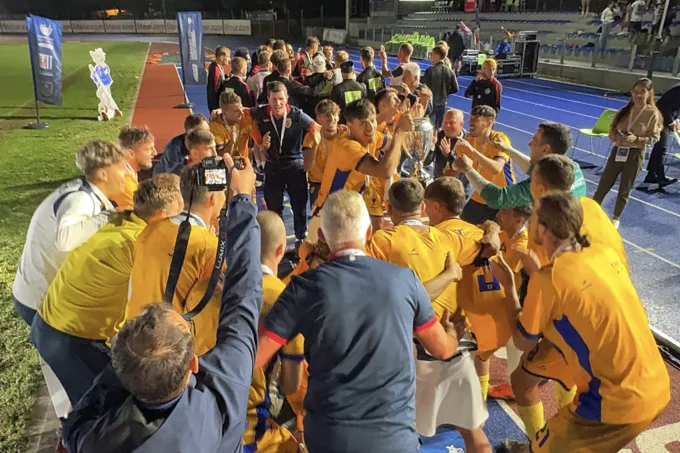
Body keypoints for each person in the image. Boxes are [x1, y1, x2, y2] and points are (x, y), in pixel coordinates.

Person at [63, 156, 262, 453]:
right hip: (169, 359)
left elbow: (75, 424)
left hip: (140, 359)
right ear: (193, 364)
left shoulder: (150, 229)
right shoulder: (220, 403)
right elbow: (242, 295)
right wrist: (243, 200)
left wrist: (128, 360)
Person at [254, 190, 463, 453]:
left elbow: (255, 357)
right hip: (393, 439)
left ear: (322, 236)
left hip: (330, 438)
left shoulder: (303, 288)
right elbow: (442, 349)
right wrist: (454, 334)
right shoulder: (405, 280)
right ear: (368, 232)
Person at [498, 191, 670, 453]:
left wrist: (510, 287)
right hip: (656, 381)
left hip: (614, 400)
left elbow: (523, 341)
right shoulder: (603, 253)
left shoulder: (548, 280)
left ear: (543, 230)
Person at [368, 178, 497, 453]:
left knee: (396, 434)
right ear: (423, 208)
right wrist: (493, 227)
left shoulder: (383, 241)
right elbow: (491, 247)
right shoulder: (449, 238)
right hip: (456, 347)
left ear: (389, 207)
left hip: (413, 355)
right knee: (474, 433)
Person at [32, 175, 182, 407]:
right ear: (162, 215)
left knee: (108, 396)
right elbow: (153, 303)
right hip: (68, 338)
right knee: (100, 408)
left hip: (60, 327)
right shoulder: (136, 244)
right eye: (178, 214)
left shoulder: (123, 222)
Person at [13, 140, 128, 424]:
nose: (126, 173)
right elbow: (65, 239)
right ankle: (79, 427)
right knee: (80, 378)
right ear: (102, 172)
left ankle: (77, 420)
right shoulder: (82, 200)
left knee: (76, 372)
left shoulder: (83, 192)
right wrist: (107, 217)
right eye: (120, 167)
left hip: (36, 293)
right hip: (39, 300)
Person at [124, 163, 226, 356]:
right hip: (170, 351)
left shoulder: (150, 228)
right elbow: (208, 318)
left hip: (134, 338)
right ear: (213, 199)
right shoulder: (209, 247)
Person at [243, 211, 304, 453]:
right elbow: (291, 385)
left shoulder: (214, 281)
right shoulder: (285, 297)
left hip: (205, 409)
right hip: (247, 427)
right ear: (280, 250)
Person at [452, 122, 586, 210]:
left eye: (534, 140)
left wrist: (468, 169)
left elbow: (498, 198)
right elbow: (534, 167)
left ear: (545, 149)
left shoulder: (543, 183)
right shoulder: (573, 167)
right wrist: (508, 150)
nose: (529, 144)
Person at [312, 99, 412, 213]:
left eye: (373, 120)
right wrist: (399, 131)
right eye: (363, 123)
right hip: (331, 212)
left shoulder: (370, 136)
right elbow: (384, 171)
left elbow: (396, 145)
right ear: (349, 125)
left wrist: (411, 129)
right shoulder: (346, 147)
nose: (370, 128)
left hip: (348, 209)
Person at [251, 81, 320, 244]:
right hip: (273, 165)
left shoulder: (297, 115)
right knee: (273, 206)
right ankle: (277, 240)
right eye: (274, 99)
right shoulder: (260, 113)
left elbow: (316, 128)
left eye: (281, 99)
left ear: (287, 98)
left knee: (299, 205)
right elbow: (243, 113)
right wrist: (260, 143)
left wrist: (307, 146)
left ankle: (301, 238)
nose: (277, 103)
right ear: (268, 99)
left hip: (295, 164)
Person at [593, 78, 662, 229]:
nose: (638, 95)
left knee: (625, 188)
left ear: (649, 94)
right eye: (635, 91)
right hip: (618, 150)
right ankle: (593, 211)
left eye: (642, 92)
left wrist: (636, 138)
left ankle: (616, 218)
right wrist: (614, 135)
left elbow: (655, 137)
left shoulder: (652, 114)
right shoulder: (624, 110)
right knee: (604, 183)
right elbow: (613, 127)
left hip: (635, 154)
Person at [452, 106, 515, 224]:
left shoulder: (499, 139)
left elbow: (497, 168)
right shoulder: (469, 141)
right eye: (470, 118)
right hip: (481, 194)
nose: (470, 122)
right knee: (464, 225)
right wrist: (453, 160)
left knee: (498, 233)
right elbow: (456, 167)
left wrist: (472, 152)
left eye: (475, 119)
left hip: (503, 198)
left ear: (489, 123)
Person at [642, 81, 679, 189]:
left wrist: (676, 119)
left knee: (659, 148)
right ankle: (658, 176)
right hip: (660, 118)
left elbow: (675, 107)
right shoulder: (678, 89)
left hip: (664, 118)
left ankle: (651, 175)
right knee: (661, 148)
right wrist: (671, 122)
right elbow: (665, 107)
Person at [307, 100, 342, 209]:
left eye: (334, 114)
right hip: (319, 186)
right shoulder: (311, 136)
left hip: (341, 185)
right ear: (318, 119)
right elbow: (307, 167)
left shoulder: (345, 134)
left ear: (338, 117)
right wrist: (315, 145)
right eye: (326, 115)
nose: (331, 118)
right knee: (318, 219)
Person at [112, 125, 157, 208]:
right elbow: (141, 213)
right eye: (148, 149)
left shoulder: (129, 171)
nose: (155, 153)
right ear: (131, 153)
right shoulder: (124, 182)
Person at [209, 91, 254, 159]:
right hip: (226, 164)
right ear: (225, 113)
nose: (241, 112)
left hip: (244, 163)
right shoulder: (215, 126)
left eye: (241, 108)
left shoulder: (245, 117)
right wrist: (231, 142)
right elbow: (220, 156)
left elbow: (262, 108)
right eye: (236, 111)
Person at [423, 45, 459, 129]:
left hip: (431, 103)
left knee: (429, 127)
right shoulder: (449, 71)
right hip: (443, 103)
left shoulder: (430, 71)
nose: (431, 56)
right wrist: (446, 92)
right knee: (438, 127)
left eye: (432, 54)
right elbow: (455, 88)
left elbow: (425, 88)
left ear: (437, 55)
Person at [432, 109, 466, 179]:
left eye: (452, 122)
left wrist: (449, 155)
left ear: (461, 124)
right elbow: (427, 162)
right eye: (445, 122)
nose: (447, 125)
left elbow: (464, 168)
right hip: (438, 180)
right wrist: (431, 146)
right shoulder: (438, 136)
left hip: (458, 183)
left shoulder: (468, 141)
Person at [208, 46, 230, 112]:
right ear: (221, 57)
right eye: (228, 56)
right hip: (216, 106)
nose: (229, 59)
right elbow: (215, 91)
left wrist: (226, 77)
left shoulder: (217, 67)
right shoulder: (216, 71)